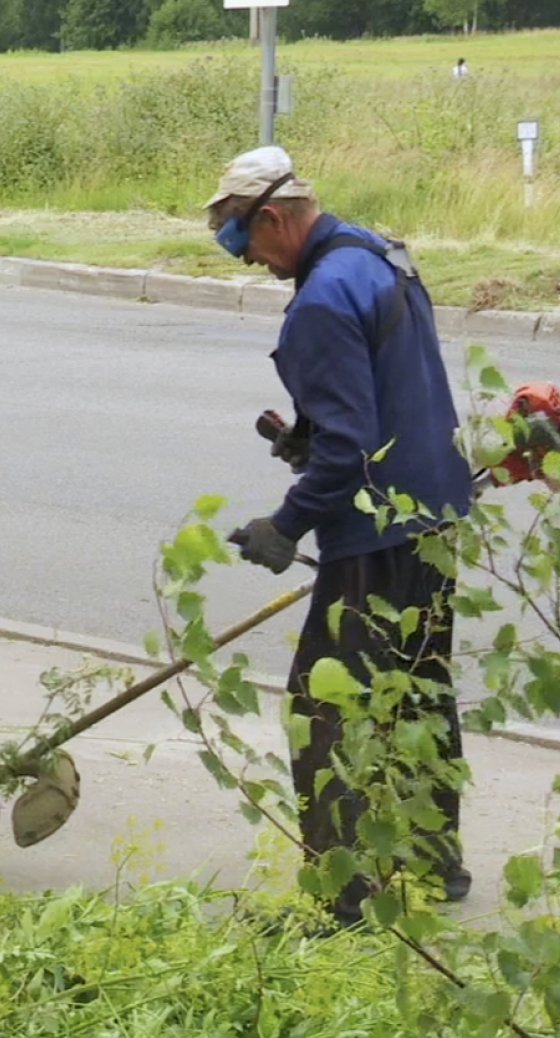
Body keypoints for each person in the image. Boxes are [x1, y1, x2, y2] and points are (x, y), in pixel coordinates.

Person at [203, 145, 473, 929]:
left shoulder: (319, 300)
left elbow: (351, 447)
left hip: (376, 533)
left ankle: (340, 902)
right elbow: (383, 392)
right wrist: (311, 432)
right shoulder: (381, 255)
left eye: (241, 241)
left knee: (325, 707)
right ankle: (431, 863)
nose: (247, 260)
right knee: (417, 691)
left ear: (275, 218)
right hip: (432, 519)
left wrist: (284, 526)